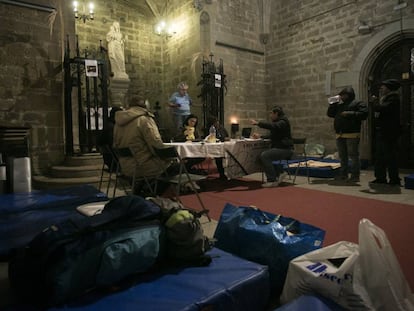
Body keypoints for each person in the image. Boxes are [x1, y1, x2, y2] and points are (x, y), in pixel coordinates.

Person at [113, 95, 183, 194]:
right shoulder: (144, 120)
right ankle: (149, 194)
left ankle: (139, 192)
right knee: (177, 166)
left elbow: (115, 143)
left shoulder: (118, 122)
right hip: (143, 165)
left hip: (125, 165)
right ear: (145, 105)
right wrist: (171, 156)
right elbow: (156, 145)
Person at [327, 87, 368, 183]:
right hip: (340, 134)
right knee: (342, 156)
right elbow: (330, 114)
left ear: (348, 95)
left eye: (343, 95)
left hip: (352, 133)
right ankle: (343, 174)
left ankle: (355, 176)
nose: (341, 97)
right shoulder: (340, 105)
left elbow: (364, 114)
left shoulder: (358, 103)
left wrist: (349, 113)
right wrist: (332, 104)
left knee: (353, 155)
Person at [250, 106, 293, 188]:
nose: (270, 115)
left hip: (285, 149)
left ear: (276, 113)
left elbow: (273, 126)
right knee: (260, 156)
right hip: (280, 148)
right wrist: (261, 136)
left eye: (271, 113)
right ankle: (279, 173)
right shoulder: (279, 122)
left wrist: (258, 123)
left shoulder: (283, 122)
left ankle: (272, 180)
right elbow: (272, 136)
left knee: (265, 155)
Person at [369, 79, 401, 186]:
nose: (381, 89)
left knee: (390, 156)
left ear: (389, 88)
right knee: (380, 156)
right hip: (381, 132)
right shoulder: (385, 98)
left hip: (388, 133)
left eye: (383, 87)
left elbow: (381, 109)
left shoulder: (393, 99)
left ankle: (394, 179)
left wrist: (375, 101)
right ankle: (380, 178)